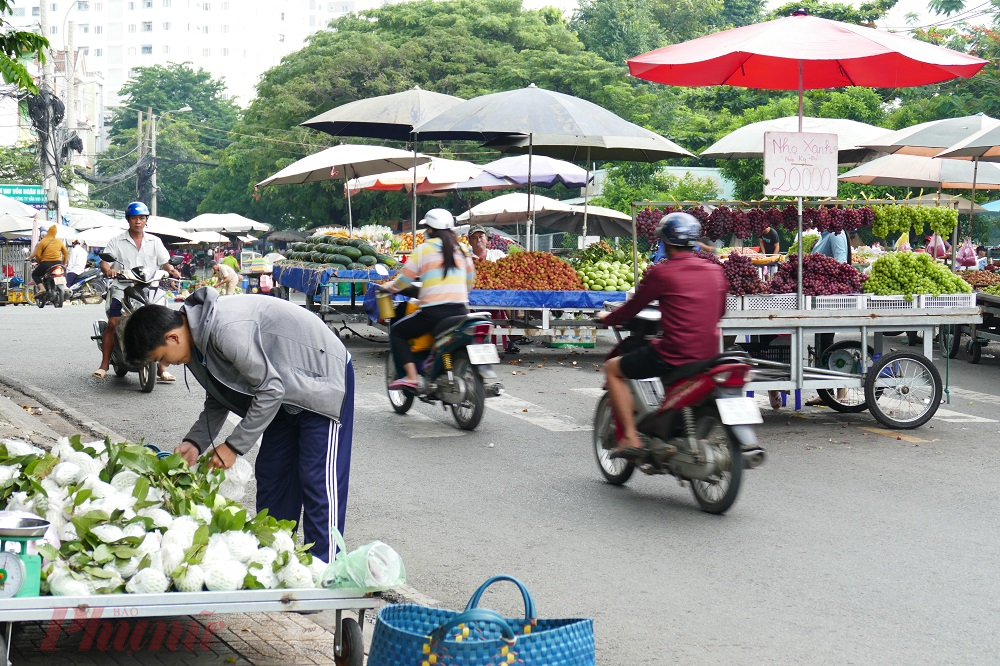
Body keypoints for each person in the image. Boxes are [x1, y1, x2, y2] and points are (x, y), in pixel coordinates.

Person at [121, 289, 354, 564]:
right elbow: (220, 394)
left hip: (319, 380)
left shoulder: (225, 330)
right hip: (280, 389)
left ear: (173, 337)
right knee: (273, 475)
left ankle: (325, 570)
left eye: (161, 357)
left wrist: (233, 446)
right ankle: (278, 561)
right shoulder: (194, 344)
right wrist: (195, 442)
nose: (165, 364)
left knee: (317, 482)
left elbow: (270, 389)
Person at [597, 212, 727, 458]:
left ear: (665, 243)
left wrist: (608, 318)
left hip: (674, 354)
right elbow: (719, 312)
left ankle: (630, 437)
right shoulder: (715, 271)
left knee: (613, 369)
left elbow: (631, 309)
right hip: (710, 354)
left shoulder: (662, 273)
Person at [382, 208, 475, 391]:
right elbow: (470, 282)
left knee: (398, 333)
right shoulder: (463, 250)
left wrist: (389, 287)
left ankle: (411, 376)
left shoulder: (424, 250)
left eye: (427, 229)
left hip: (434, 313)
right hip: (461, 312)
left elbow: (404, 280)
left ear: (431, 230)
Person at [92, 201, 181, 381]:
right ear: (128, 220)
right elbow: (104, 261)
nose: (138, 221)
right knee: (113, 323)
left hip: (151, 289)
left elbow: (166, 262)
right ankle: (104, 365)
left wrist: (172, 271)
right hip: (123, 288)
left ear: (146, 220)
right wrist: (108, 269)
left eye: (142, 218)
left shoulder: (155, 241)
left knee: (167, 324)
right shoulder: (116, 241)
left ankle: (162, 368)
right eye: (134, 218)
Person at [468, 225, 519, 353]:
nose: (478, 240)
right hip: (475, 297)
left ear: (487, 240)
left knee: (507, 290)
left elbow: (508, 273)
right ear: (469, 242)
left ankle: (514, 327)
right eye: (474, 238)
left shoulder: (497, 254)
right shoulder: (467, 259)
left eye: (481, 237)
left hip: (497, 296)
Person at [30, 225, 69, 291]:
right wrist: (63, 263)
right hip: (58, 263)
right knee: (64, 271)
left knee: (34, 274)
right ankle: (65, 286)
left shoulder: (43, 241)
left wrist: (40, 262)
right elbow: (66, 253)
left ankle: (42, 288)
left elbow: (37, 254)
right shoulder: (59, 241)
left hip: (46, 264)